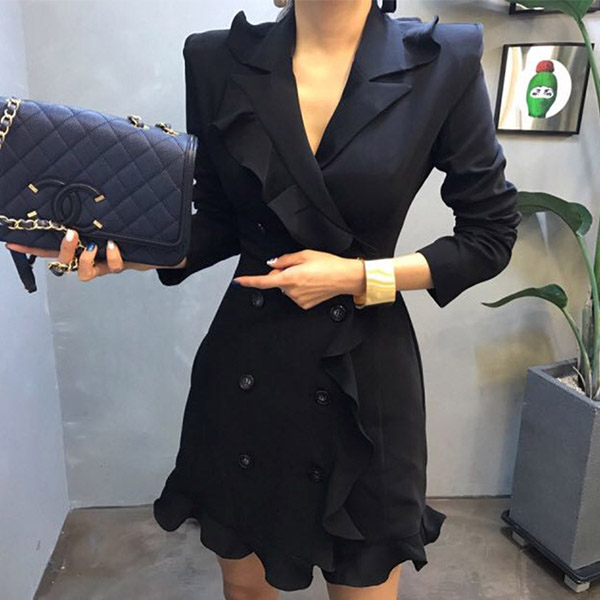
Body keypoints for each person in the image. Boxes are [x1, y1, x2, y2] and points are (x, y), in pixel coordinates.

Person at [6, 0, 522, 598]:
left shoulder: (442, 61)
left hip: (364, 373)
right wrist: (129, 252)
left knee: (363, 582)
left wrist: (358, 277)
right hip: (249, 363)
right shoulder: (215, 60)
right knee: (246, 587)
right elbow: (219, 218)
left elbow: (489, 235)